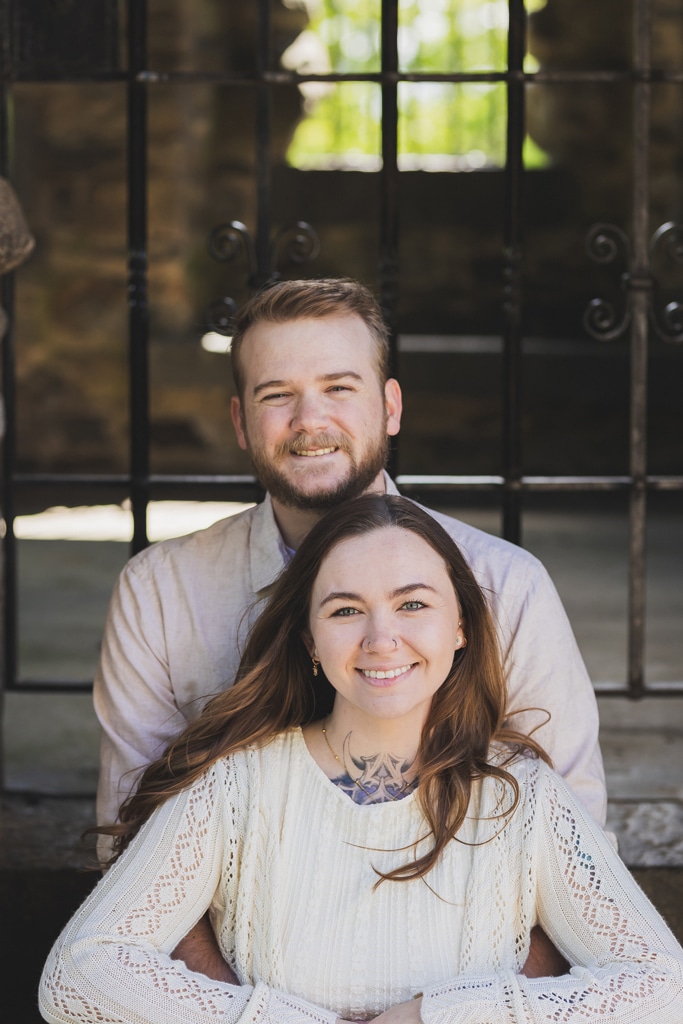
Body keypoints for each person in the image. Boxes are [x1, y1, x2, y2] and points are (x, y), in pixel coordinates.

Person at [93, 277, 606, 977]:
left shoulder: (506, 585)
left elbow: (575, 847)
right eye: (277, 395)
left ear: (389, 406)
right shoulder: (158, 592)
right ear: (241, 422)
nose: (311, 420)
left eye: (339, 387)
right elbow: (132, 837)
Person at [41, 495, 683, 1024]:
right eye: (346, 610)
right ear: (311, 642)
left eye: (413, 604)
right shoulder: (234, 781)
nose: (382, 639)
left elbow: (662, 985)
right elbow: (78, 973)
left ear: (459, 626)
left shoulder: (522, 793)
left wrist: (439, 1017)